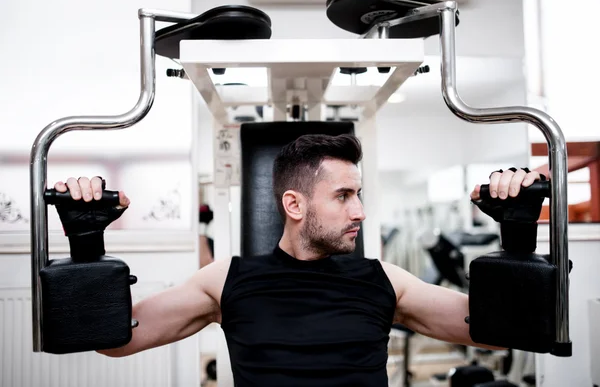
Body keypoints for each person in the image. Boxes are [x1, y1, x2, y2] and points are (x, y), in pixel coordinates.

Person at [52, 134, 544, 387]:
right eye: (344, 196)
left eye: (360, 195)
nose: (361, 211)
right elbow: (117, 343)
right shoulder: (226, 279)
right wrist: (87, 244)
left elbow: (499, 329)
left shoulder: (384, 280)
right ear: (295, 205)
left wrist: (519, 233)